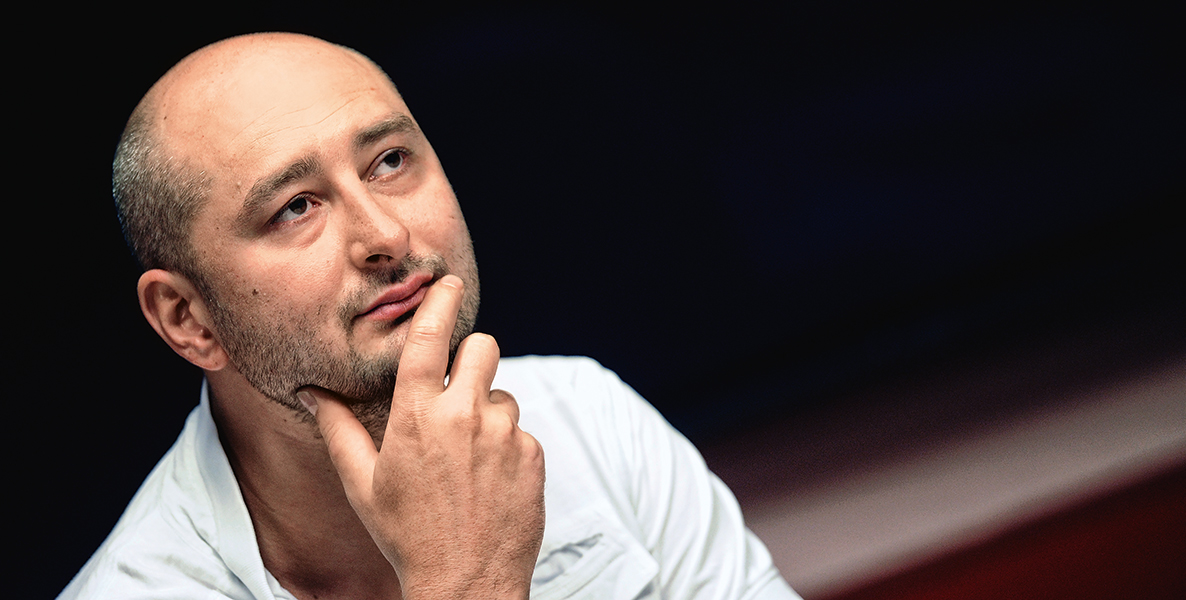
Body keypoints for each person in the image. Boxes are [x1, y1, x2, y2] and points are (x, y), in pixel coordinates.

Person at [60, 32, 799, 600]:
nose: (385, 234)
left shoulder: (588, 420)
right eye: (296, 207)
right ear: (188, 319)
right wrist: (464, 580)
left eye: (389, 161)